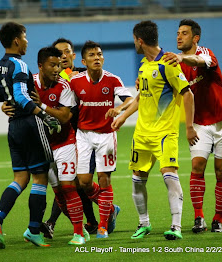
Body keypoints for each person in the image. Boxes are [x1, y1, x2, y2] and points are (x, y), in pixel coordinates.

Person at [112, 20, 198, 240]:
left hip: (165, 132)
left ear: (140, 41)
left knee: (169, 174)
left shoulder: (168, 63)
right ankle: (144, 223)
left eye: (134, 41)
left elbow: (187, 94)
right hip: (142, 133)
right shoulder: (144, 65)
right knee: (138, 177)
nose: (135, 44)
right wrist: (123, 116)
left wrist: (189, 127)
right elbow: (142, 96)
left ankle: (176, 226)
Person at [0, 22, 59, 249]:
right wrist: (43, 115)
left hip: (13, 126)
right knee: (40, 177)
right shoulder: (19, 64)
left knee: (20, 178)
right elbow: (20, 95)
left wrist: (6, 104)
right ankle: (34, 230)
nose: (27, 41)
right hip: (29, 123)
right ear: (17, 40)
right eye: (25, 37)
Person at [163, 19, 222, 233]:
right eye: (177, 32)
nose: (178, 36)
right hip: (199, 124)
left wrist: (181, 57)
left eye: (184, 33)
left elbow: (198, 61)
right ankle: (199, 218)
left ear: (195, 38)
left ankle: (218, 218)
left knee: (221, 171)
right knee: (197, 166)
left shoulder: (206, 53)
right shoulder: (175, 65)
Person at [71, 40, 133, 238]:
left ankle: (103, 226)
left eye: (99, 54)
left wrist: (119, 109)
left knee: (104, 179)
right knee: (84, 182)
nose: (97, 58)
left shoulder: (113, 80)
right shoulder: (75, 82)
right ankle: (111, 207)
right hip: (83, 136)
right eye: (92, 55)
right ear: (84, 60)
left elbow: (130, 100)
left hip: (106, 135)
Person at [41, 38, 99, 236]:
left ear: (74, 55)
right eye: (59, 54)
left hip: (82, 137)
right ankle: (94, 219)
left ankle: (51, 222)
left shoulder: (84, 76)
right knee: (72, 184)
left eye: (66, 52)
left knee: (72, 184)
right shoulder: (55, 78)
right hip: (62, 137)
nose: (63, 56)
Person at [33, 46, 89, 245]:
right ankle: (80, 226)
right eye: (52, 65)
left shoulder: (64, 86)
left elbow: (65, 117)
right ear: (41, 66)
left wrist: (43, 106)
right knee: (58, 194)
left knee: (68, 187)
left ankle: (78, 235)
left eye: (58, 65)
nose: (57, 69)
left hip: (65, 142)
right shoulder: (29, 84)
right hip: (42, 145)